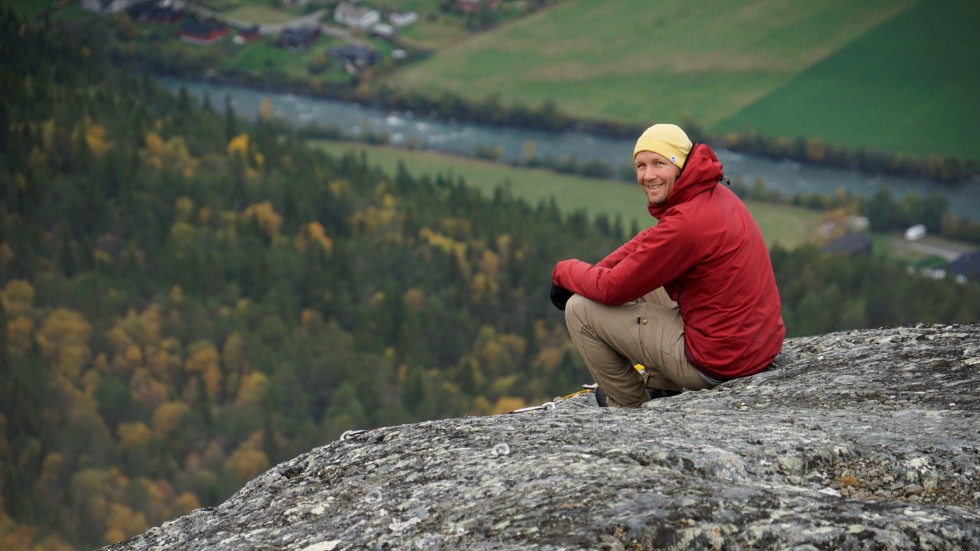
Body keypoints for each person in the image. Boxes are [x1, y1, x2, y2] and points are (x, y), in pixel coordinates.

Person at [550, 123, 785, 408]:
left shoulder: (687, 224)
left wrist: (563, 272)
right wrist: (595, 270)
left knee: (580, 309)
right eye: (640, 165)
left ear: (680, 165)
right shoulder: (713, 195)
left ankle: (627, 403)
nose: (648, 175)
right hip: (754, 347)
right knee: (645, 277)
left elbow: (613, 289)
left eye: (659, 163)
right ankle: (662, 388)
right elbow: (649, 243)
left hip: (718, 362)